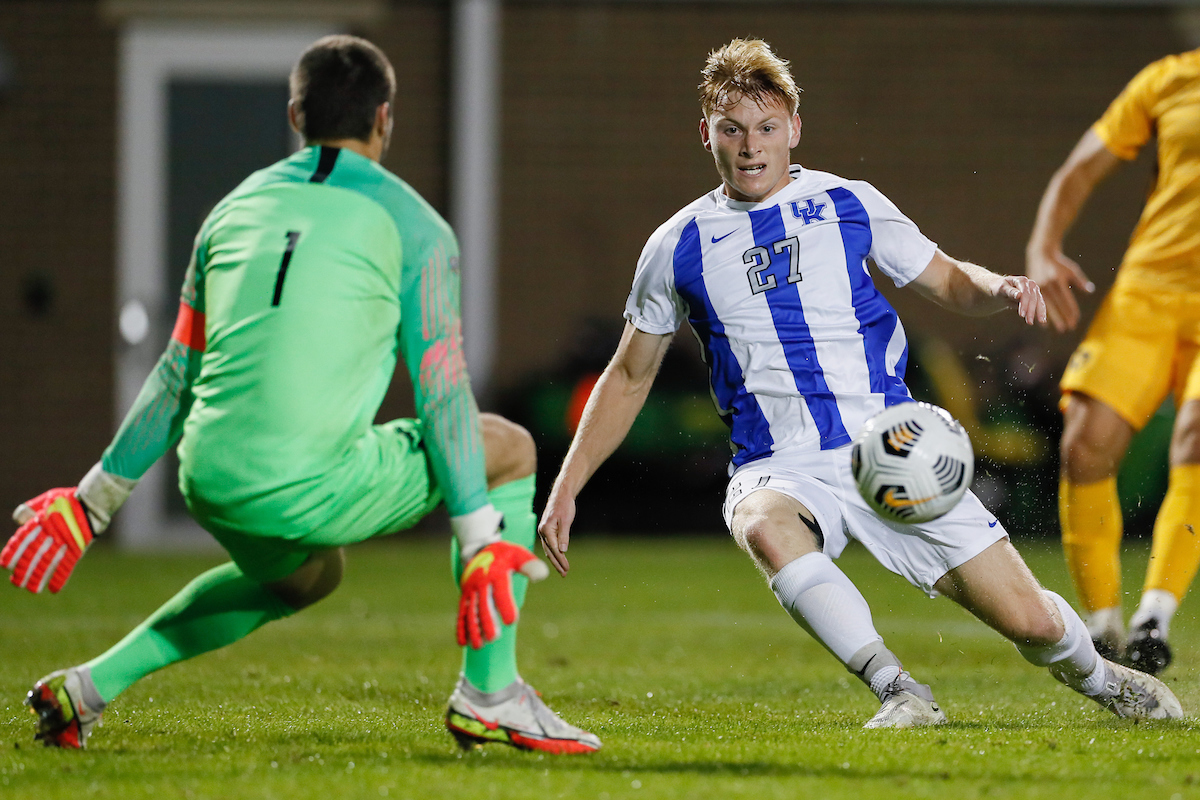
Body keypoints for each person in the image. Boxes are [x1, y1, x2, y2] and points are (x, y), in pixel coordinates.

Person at [537, 38, 1182, 728]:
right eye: (732, 130)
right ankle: (899, 689)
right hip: (778, 463)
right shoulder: (675, 245)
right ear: (707, 135)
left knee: (1031, 623)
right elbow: (630, 373)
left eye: (766, 128)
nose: (750, 147)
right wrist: (568, 485)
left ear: (793, 130)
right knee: (762, 525)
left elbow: (947, 280)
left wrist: (1002, 286)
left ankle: (1099, 676)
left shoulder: (846, 202)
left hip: (891, 446)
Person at [2, 35, 599, 755]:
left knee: (307, 578)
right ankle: (491, 693)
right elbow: (442, 391)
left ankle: (86, 688)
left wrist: (90, 503)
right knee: (509, 447)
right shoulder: (415, 226)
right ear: (385, 119)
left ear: (296, 114)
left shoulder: (229, 211)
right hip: (305, 483)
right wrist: (478, 539)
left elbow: (174, 375)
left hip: (209, 477)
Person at [1025, 49, 1200, 675]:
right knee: (1085, 444)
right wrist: (1044, 247)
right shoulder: (1168, 77)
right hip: (1147, 291)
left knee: (1195, 436)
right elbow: (1077, 171)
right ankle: (1102, 628)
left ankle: (1154, 617)